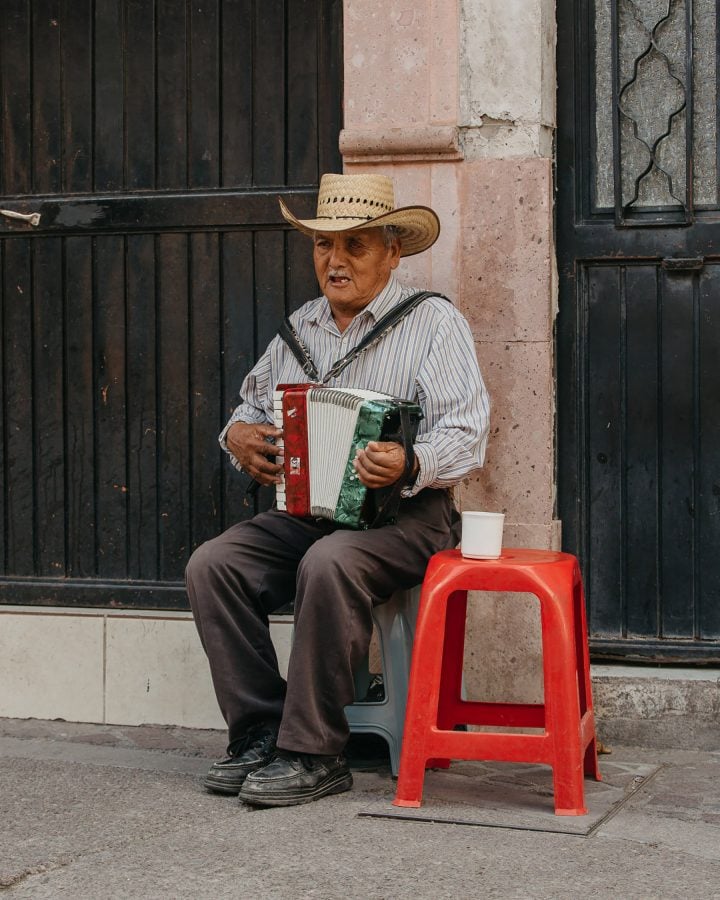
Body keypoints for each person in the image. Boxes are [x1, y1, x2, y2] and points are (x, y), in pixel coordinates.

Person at [186, 172, 490, 808]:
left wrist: (409, 462)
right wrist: (239, 437)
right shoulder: (301, 328)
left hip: (409, 520)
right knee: (213, 565)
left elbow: (468, 432)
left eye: (355, 245)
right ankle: (261, 733)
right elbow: (247, 408)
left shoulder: (433, 323)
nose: (336, 260)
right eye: (325, 246)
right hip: (314, 514)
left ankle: (315, 752)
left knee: (331, 561)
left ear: (392, 252)